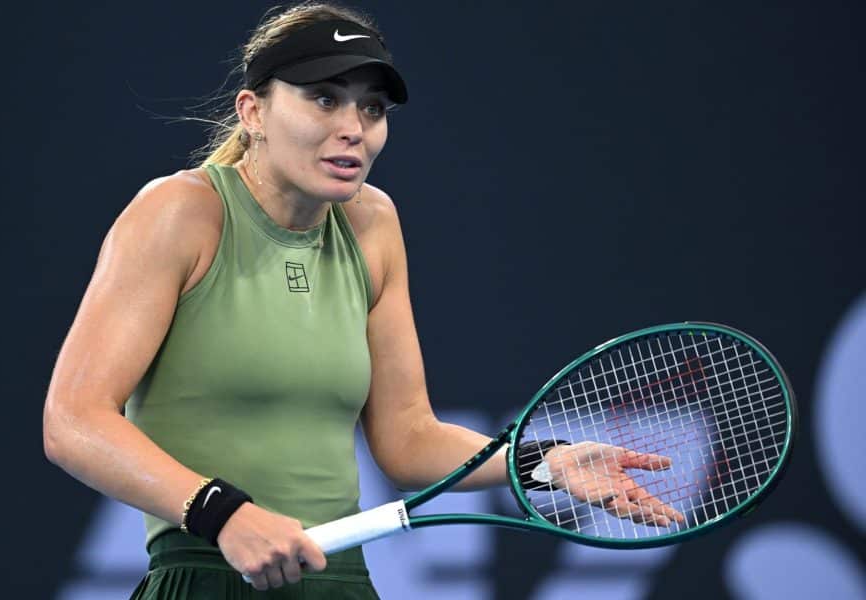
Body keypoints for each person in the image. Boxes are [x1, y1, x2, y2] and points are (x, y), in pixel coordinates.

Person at [42, 2, 684, 598]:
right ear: (253, 111)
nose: (353, 129)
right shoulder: (180, 212)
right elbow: (73, 421)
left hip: (339, 582)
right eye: (324, 99)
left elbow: (408, 439)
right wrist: (221, 514)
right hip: (206, 575)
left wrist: (544, 460)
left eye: (372, 109)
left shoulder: (372, 223)